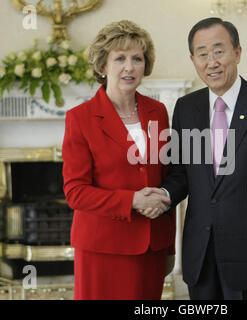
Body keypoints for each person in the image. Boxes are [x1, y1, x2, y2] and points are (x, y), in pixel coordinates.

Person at [141, 17, 247, 300]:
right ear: (193, 59)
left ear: (237, 53)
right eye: (202, 54)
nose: (211, 62)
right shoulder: (186, 108)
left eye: (219, 51)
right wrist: (163, 194)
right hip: (201, 255)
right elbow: (181, 172)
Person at [62, 20, 175, 300]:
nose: (130, 67)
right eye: (120, 58)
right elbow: (75, 192)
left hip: (152, 246)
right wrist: (132, 201)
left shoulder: (158, 111)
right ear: (103, 66)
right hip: (102, 248)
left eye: (137, 58)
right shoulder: (80, 118)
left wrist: (170, 247)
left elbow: (165, 176)